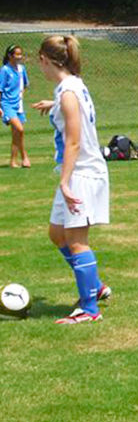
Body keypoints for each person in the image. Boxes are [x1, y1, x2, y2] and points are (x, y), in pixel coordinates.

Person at [32, 35, 111, 324]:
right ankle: (96, 285)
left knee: (77, 241)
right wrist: (52, 106)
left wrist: (65, 183)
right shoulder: (71, 85)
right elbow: (72, 111)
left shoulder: (67, 92)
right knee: (57, 233)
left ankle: (89, 309)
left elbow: (75, 142)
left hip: (82, 173)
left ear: (44, 60)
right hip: (79, 172)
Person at [1, 44, 31, 168]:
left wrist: (20, 96)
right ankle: (25, 157)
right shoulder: (5, 70)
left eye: (20, 54)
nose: (20, 57)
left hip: (18, 105)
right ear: (10, 56)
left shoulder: (21, 69)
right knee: (20, 129)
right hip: (7, 104)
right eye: (17, 54)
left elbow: (24, 84)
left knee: (16, 134)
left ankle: (13, 161)